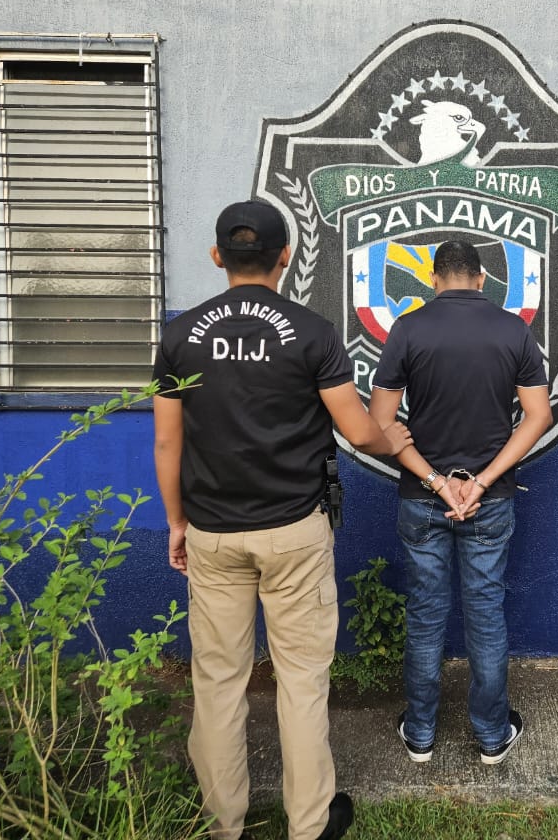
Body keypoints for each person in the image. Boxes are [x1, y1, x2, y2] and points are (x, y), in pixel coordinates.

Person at [152, 200, 411, 840]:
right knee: (301, 680)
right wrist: (396, 439)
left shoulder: (181, 336)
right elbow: (358, 431)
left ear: (218, 256)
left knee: (217, 682)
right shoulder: (313, 333)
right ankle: (309, 825)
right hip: (294, 532)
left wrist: (177, 522)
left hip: (213, 533)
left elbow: (167, 442)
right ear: (285, 257)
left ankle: (223, 825)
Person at [367, 239, 553, 766]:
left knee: (426, 614)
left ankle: (420, 734)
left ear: (433, 280)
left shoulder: (407, 329)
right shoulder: (513, 329)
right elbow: (538, 416)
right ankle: (492, 736)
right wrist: (482, 481)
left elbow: (380, 423)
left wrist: (438, 481)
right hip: (489, 499)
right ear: (481, 279)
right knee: (486, 614)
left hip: (424, 497)